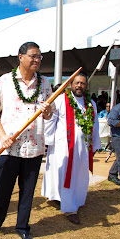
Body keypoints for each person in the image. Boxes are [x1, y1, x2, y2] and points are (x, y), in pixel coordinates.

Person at [0, 42, 53, 239]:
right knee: (2, 190)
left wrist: (47, 110)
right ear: (20, 57)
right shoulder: (4, 81)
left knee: (27, 191)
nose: (37, 60)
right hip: (8, 147)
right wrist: (3, 136)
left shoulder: (45, 83)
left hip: (34, 147)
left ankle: (23, 228)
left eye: (40, 56)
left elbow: (49, 115)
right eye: (33, 56)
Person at [42, 73, 100, 224]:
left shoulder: (91, 104)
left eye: (82, 83)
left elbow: (95, 126)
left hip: (83, 148)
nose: (79, 86)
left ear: (86, 86)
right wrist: (48, 141)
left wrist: (95, 144)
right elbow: (51, 121)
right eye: (77, 83)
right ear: (71, 85)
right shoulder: (61, 100)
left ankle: (76, 200)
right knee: (63, 175)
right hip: (63, 147)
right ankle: (69, 209)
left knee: (79, 175)